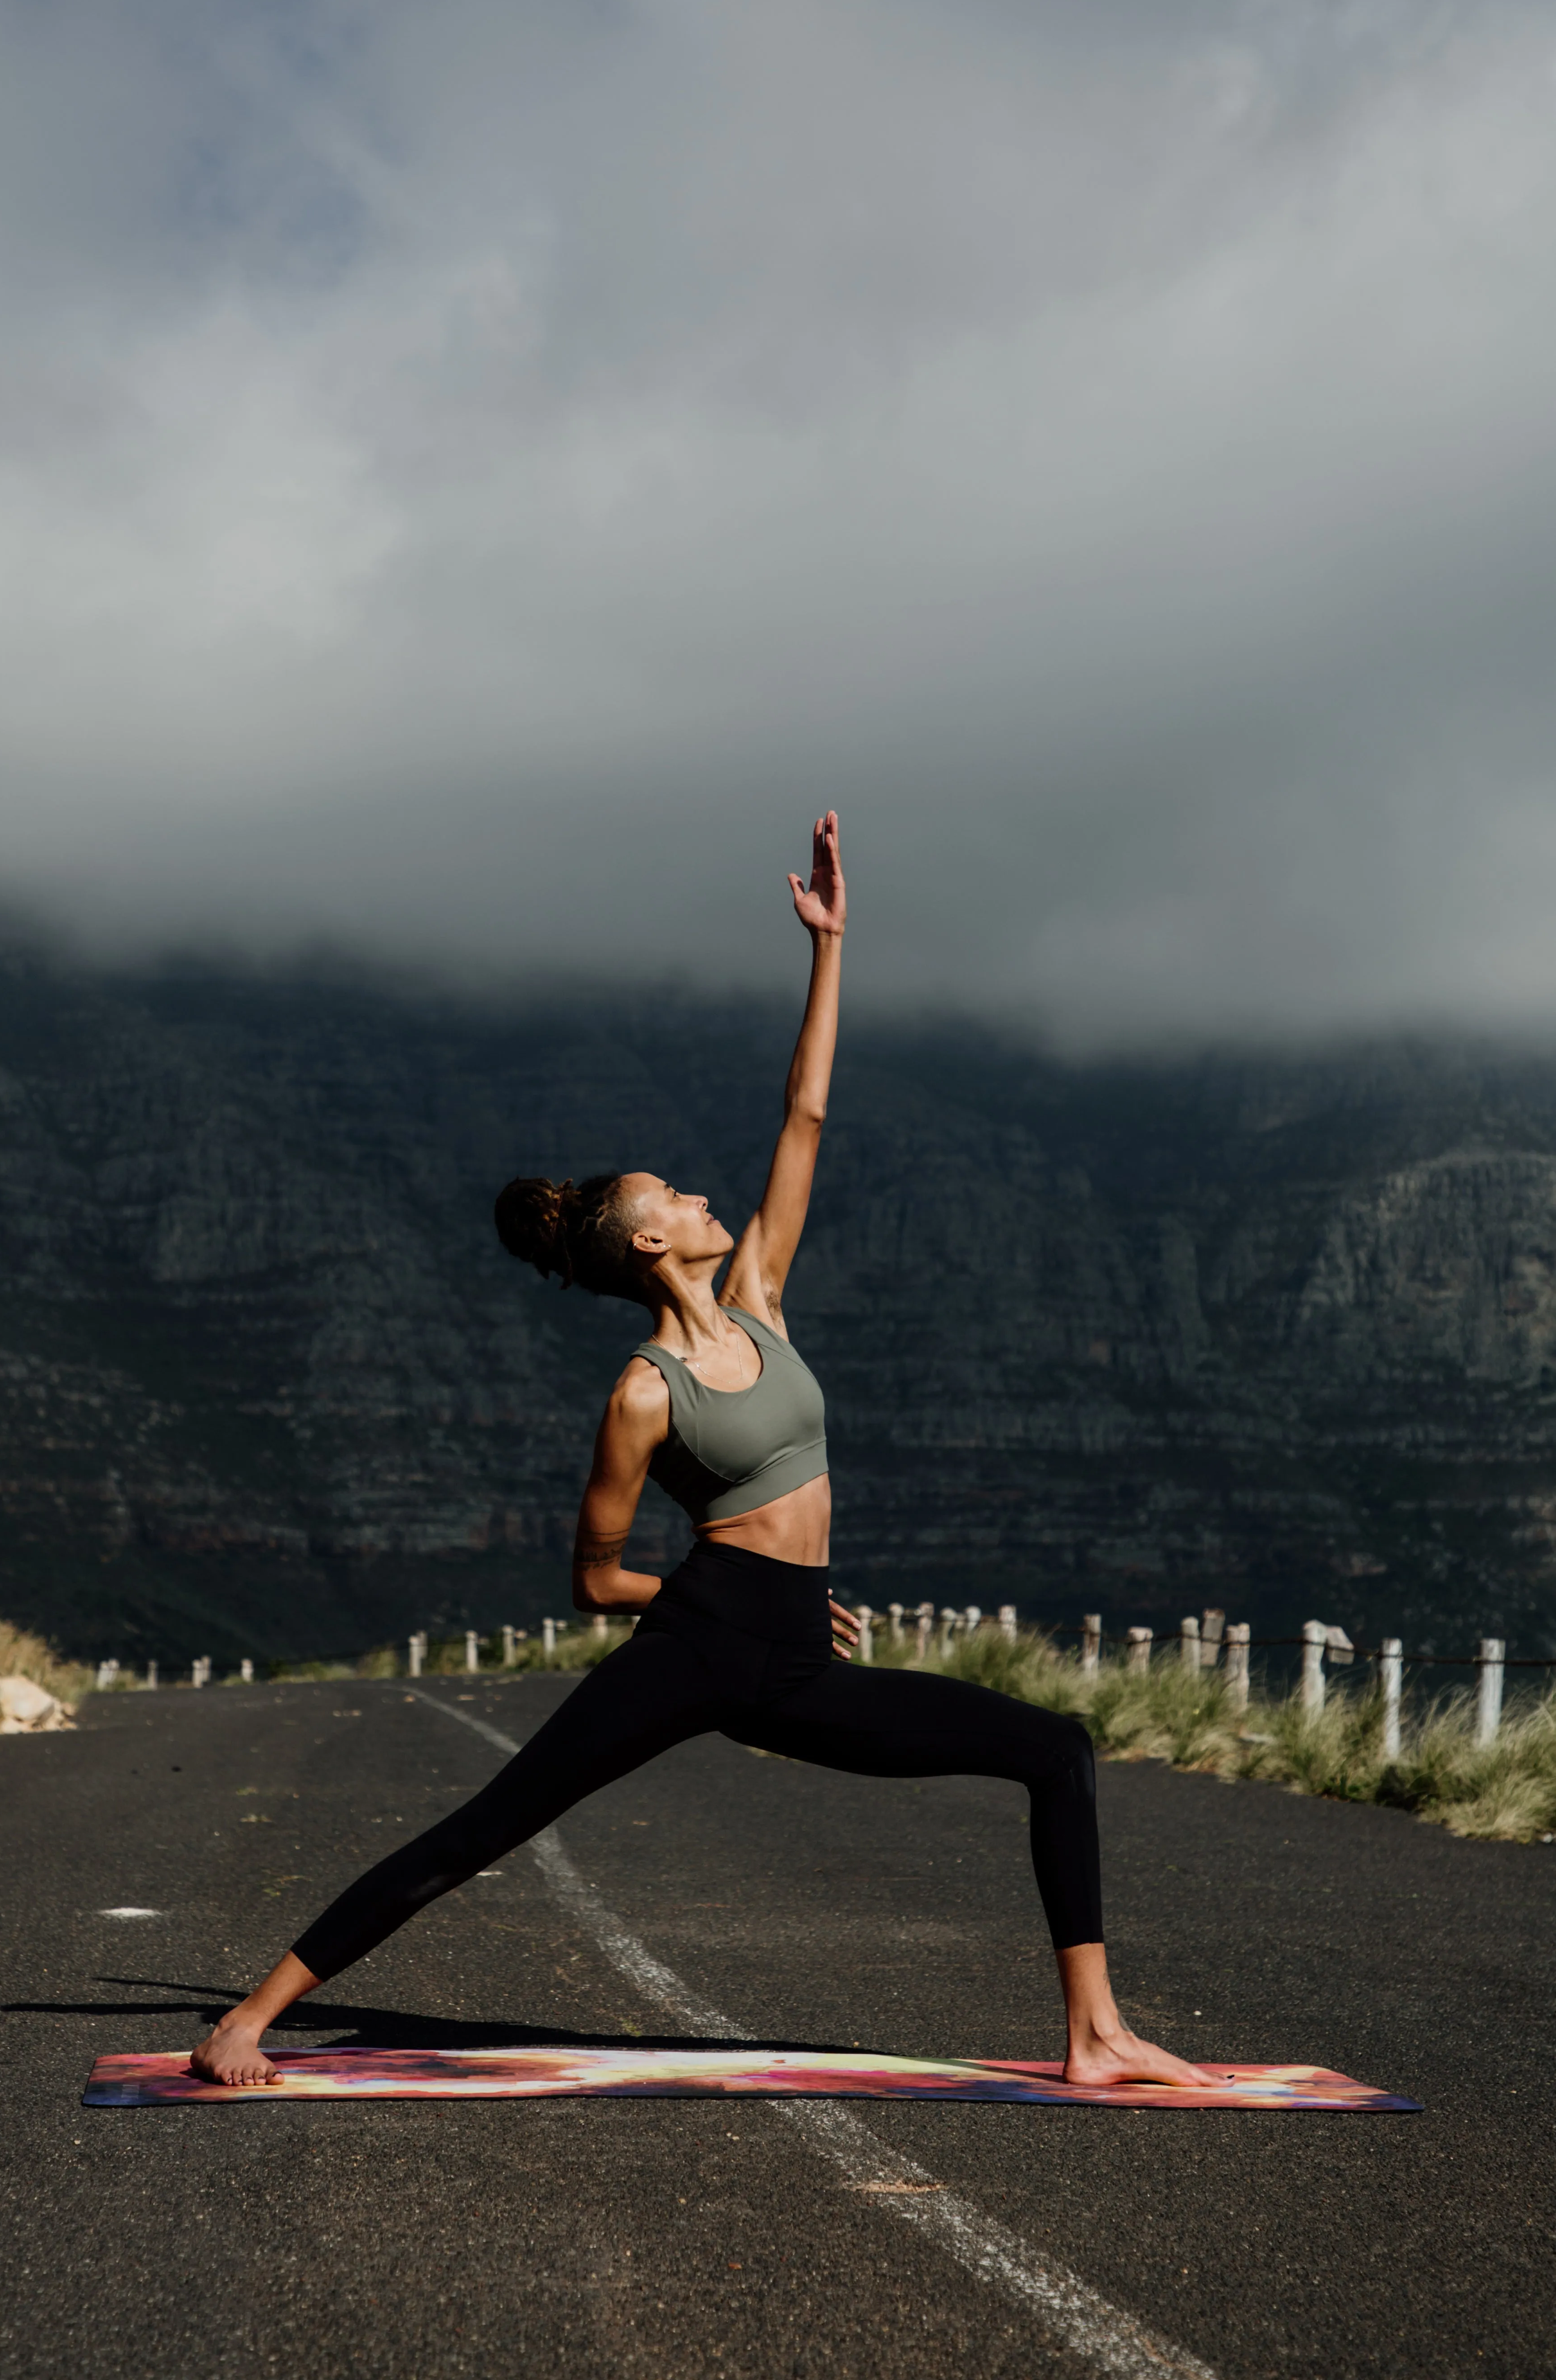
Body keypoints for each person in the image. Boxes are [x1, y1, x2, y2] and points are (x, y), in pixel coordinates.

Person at [190, 813, 1217, 2089]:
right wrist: (697, 1599)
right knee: (492, 1821)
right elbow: (594, 1575)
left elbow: (807, 1112)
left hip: (795, 1651)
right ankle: (249, 2014)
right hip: (698, 1640)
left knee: (1053, 1747)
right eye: (672, 1196)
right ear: (646, 1246)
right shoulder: (642, 1391)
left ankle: (1095, 2032)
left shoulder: (763, 1299)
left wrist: (828, 948)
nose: (698, 1198)